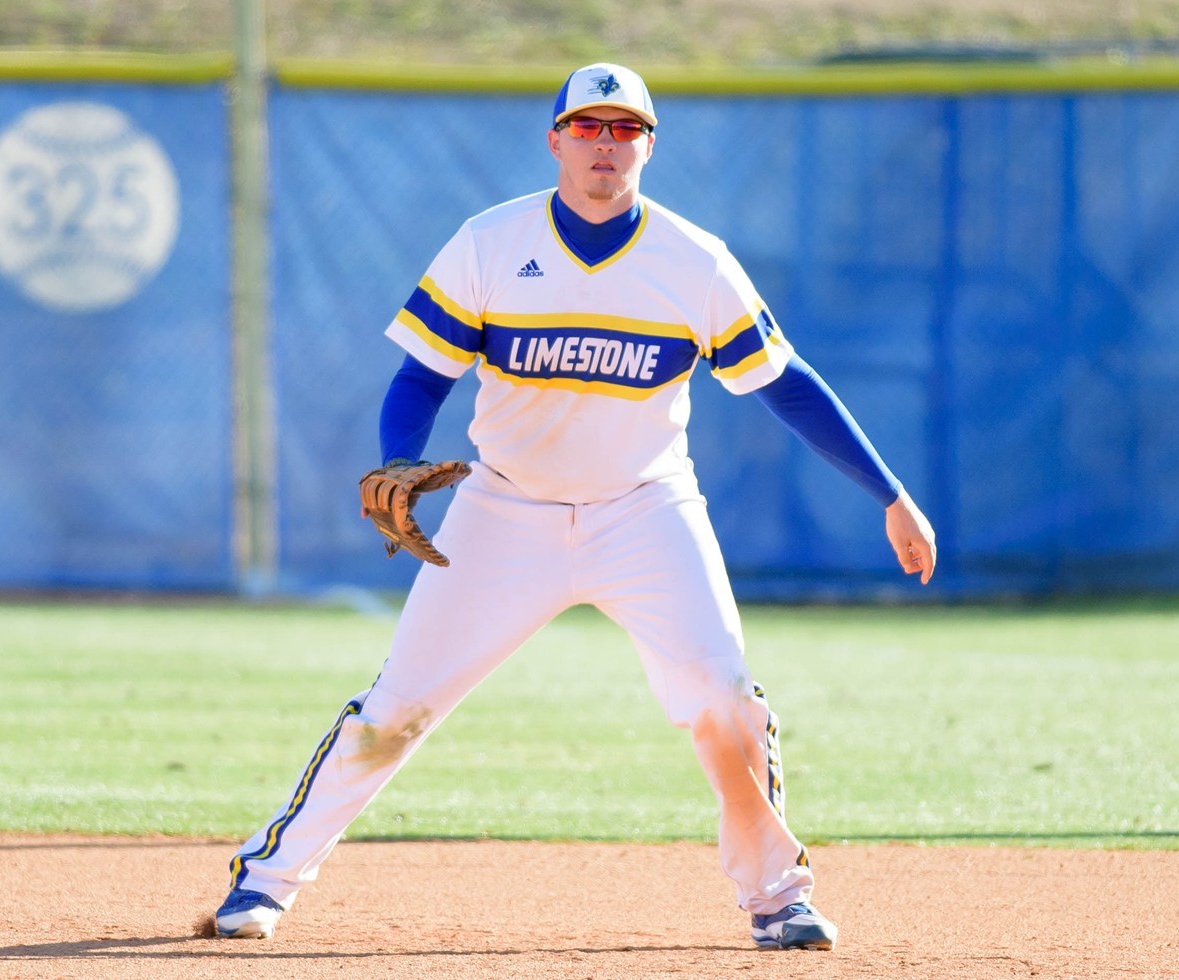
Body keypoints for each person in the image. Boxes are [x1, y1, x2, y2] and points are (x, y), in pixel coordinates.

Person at [212, 62, 937, 952]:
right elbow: (419, 377)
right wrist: (398, 459)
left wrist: (891, 494)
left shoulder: (693, 261)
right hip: (504, 510)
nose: (605, 143)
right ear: (555, 139)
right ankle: (264, 881)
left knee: (721, 698)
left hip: (646, 510)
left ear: (649, 145)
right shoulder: (489, 242)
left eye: (624, 128)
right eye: (588, 126)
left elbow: (785, 385)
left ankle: (778, 897)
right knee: (396, 709)